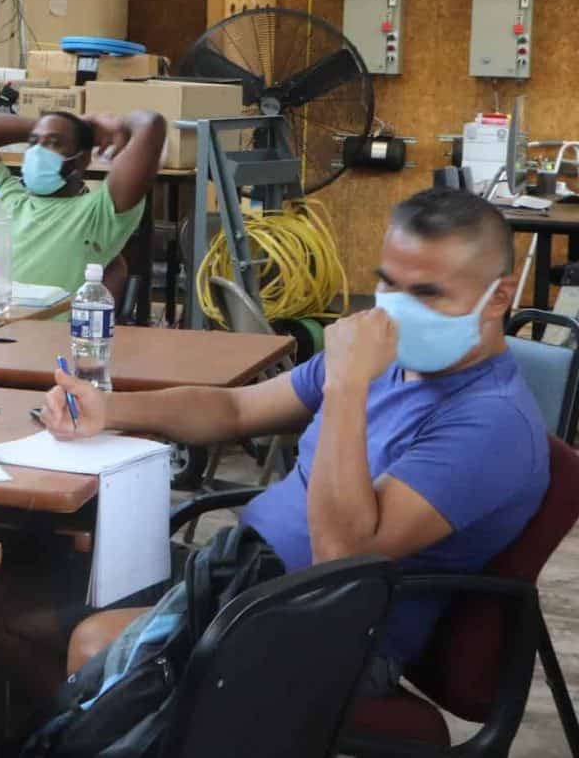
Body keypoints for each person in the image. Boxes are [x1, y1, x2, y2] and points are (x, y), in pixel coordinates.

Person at [45, 187, 550, 696]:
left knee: (93, 641)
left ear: (498, 297)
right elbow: (235, 409)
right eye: (389, 286)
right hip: (248, 576)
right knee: (38, 595)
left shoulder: (491, 424)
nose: (397, 312)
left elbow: (341, 559)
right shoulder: (386, 361)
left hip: (323, 632)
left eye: (427, 293)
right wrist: (109, 408)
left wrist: (347, 387)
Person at [0, 108, 168, 296]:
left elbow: (150, 124)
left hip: (31, 327)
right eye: (33, 142)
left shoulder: (100, 214)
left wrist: (118, 126)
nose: (38, 151)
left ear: (82, 159)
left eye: (53, 143)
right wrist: (72, 123)